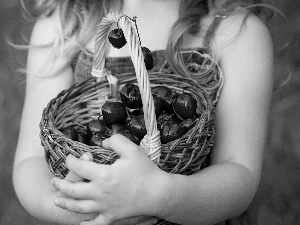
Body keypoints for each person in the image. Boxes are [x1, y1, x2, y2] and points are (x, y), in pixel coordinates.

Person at [13, 0, 275, 224]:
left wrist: (157, 195)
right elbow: (30, 161)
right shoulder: (65, 26)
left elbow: (239, 171)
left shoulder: (237, 33)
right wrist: (80, 207)